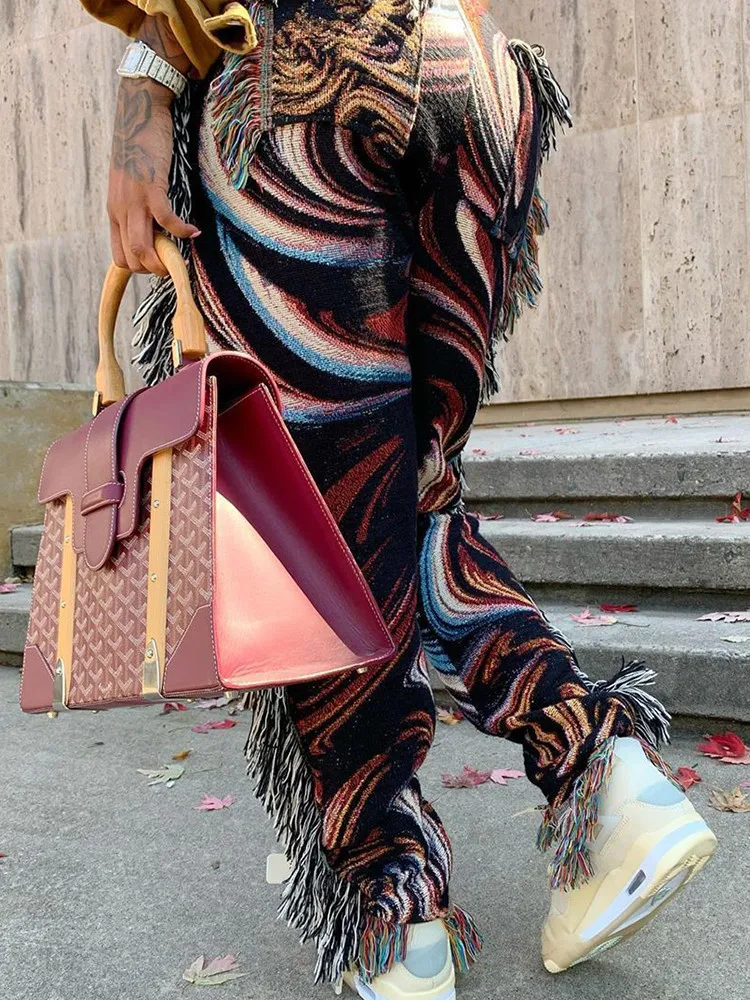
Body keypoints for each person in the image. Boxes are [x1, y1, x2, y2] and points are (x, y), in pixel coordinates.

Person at [80, 1, 717, 997]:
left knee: (311, 539)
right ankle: (604, 778)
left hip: (297, 97)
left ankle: (400, 907)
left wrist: (143, 87)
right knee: (401, 499)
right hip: (471, 76)